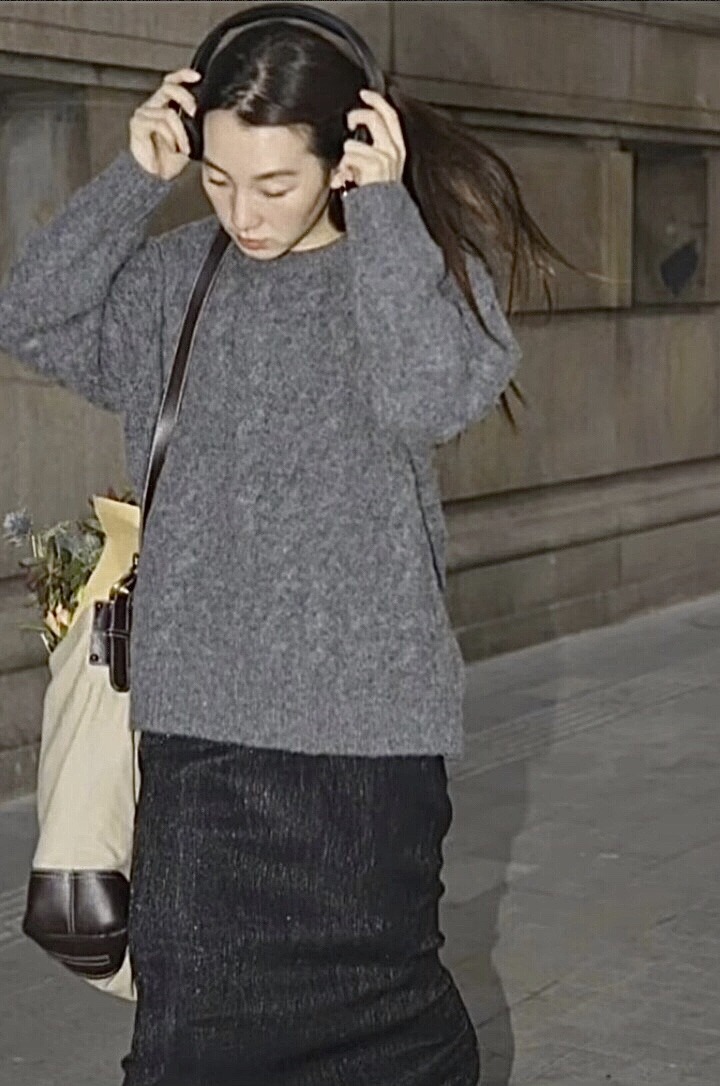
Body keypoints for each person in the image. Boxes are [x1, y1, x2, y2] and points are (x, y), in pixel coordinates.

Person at [0, 18, 559, 1086]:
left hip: (369, 750)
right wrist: (132, 181)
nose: (243, 213)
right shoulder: (176, 284)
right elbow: (31, 316)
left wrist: (385, 214)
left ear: (347, 155)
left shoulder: (412, 275)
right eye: (217, 179)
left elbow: (429, 397)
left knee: (389, 1038)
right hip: (205, 744)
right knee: (194, 1046)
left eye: (274, 183)